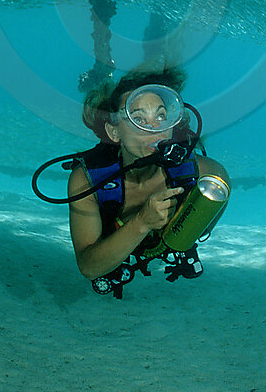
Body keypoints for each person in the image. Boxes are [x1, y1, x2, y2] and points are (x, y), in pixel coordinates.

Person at [67, 67, 230, 297]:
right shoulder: (88, 181)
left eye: (161, 116)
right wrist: (142, 221)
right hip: (115, 240)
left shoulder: (201, 171)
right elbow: (88, 267)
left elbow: (222, 183)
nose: (154, 128)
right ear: (114, 132)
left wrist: (187, 233)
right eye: (138, 118)